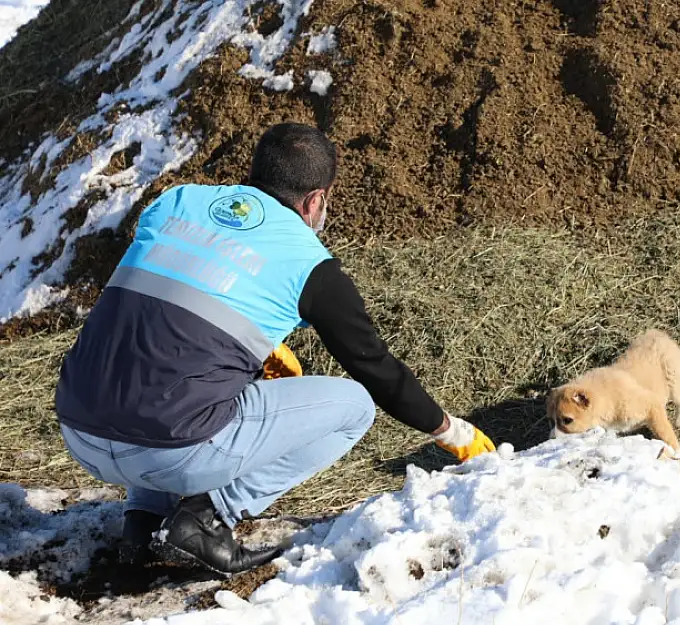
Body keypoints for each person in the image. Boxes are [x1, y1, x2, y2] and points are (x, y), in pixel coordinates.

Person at [52, 123, 495, 575]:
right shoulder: (311, 264)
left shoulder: (177, 201)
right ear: (316, 201)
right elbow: (375, 368)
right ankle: (207, 518)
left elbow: (169, 305)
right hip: (171, 451)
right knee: (354, 406)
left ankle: (141, 527)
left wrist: (257, 346)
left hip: (79, 429)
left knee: (156, 370)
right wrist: (451, 432)